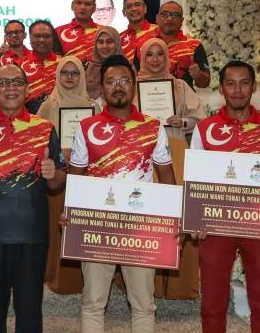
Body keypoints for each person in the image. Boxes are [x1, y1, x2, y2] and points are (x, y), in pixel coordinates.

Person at [68, 55, 176, 333]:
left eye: (125, 80)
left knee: (143, 305)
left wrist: (173, 218)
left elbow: (166, 174)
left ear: (134, 85)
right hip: (97, 225)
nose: (118, 87)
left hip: (141, 227)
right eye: (111, 81)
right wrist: (69, 212)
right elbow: (76, 175)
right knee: (93, 303)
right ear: (102, 87)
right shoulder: (86, 127)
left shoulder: (152, 126)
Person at [0, 64, 66, 333]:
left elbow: (58, 181)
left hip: (32, 234)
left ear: (27, 89)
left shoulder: (45, 128)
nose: (11, 88)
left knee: (30, 312)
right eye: (4, 83)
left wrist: (52, 174)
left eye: (17, 82)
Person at [190, 60, 260, 333]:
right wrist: (195, 218)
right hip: (215, 224)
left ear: (254, 87)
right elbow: (195, 178)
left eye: (244, 83)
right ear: (221, 88)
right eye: (230, 84)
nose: (237, 90)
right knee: (212, 302)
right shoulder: (204, 128)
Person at [137, 38, 206, 300]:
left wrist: (183, 121)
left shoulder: (179, 86)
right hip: (143, 155)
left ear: (167, 57)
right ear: (142, 58)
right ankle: (146, 284)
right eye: (149, 54)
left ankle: (180, 285)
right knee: (147, 215)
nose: (155, 59)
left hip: (175, 151)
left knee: (177, 214)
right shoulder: (133, 86)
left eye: (160, 54)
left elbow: (200, 119)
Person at [37, 56, 98, 295]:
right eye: (65, 72)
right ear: (58, 75)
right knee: (56, 225)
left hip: (86, 175)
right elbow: (37, 141)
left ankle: (87, 278)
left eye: (75, 73)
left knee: (82, 226)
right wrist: (58, 152)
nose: (70, 77)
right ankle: (55, 274)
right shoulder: (48, 106)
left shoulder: (93, 106)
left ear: (82, 76)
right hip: (58, 176)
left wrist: (82, 151)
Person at [155, 1, 210, 89]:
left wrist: (198, 75)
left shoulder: (194, 45)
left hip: (185, 97)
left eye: (175, 15)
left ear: (182, 20)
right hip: (152, 96)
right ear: (157, 18)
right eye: (164, 14)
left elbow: (205, 84)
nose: (169, 18)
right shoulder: (146, 45)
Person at [17, 20, 62, 114]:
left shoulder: (63, 64)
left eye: (46, 36)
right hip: (28, 118)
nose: (42, 40)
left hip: (59, 116)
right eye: (37, 36)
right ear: (29, 38)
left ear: (53, 39)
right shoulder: (18, 65)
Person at [56, 0, 100, 64]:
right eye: (79, 3)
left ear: (94, 7)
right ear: (72, 5)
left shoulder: (104, 31)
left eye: (88, 4)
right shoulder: (58, 32)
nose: (83, 7)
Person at [119, 0, 158, 64]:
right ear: (124, 12)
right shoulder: (119, 38)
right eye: (129, 6)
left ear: (145, 9)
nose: (133, 9)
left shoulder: (158, 31)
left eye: (137, 5)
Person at [87, 27, 123, 104]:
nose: (105, 46)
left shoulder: (126, 68)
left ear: (117, 44)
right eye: (100, 42)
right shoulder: (89, 69)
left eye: (109, 42)